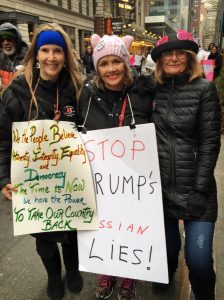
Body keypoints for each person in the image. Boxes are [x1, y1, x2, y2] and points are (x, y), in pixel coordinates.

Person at [0, 23, 83, 300]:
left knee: (72, 234)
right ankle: (52, 276)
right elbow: (3, 141)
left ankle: (73, 270)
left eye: (57, 50)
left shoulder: (77, 88)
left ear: (65, 55)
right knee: (45, 239)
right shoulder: (16, 91)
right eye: (45, 50)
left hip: (71, 181)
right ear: (35, 54)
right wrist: (3, 180)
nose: (51, 57)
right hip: (35, 184)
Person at [78, 34, 155, 300]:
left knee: (131, 227)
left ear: (125, 62)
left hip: (135, 179)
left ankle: (129, 274)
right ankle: (107, 269)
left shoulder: (143, 92)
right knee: (105, 226)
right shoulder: (87, 95)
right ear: (97, 66)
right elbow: (78, 130)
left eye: (116, 62)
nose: (111, 69)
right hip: (102, 178)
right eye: (104, 63)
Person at [150, 29, 221, 300]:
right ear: (160, 60)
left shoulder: (204, 89)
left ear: (190, 57)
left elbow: (210, 142)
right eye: (168, 53)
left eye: (180, 52)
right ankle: (165, 273)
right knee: (166, 250)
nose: (174, 57)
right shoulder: (152, 89)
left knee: (199, 260)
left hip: (196, 189)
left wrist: (200, 188)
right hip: (160, 189)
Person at [0, 22, 28, 90]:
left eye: (9, 39)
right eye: (2, 40)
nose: (5, 43)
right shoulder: (1, 58)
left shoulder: (28, 56)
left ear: (16, 40)